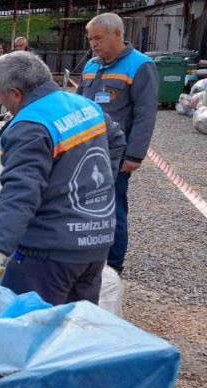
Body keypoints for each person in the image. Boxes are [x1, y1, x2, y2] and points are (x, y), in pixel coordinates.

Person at [0, 51, 127, 305]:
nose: (0, 102)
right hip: (95, 244)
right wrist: (96, 188)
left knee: (28, 331)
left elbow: (20, 195)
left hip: (48, 253)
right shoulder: (86, 106)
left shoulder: (31, 126)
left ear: (16, 93)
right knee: (73, 332)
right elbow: (116, 142)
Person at [76, 13, 158, 275]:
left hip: (116, 154)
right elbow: (78, 104)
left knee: (113, 208)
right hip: (84, 149)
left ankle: (113, 265)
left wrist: (134, 154)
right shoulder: (91, 66)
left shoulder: (140, 66)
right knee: (84, 205)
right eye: (90, 38)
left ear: (117, 35)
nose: (93, 43)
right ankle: (88, 256)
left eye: (98, 38)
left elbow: (146, 114)